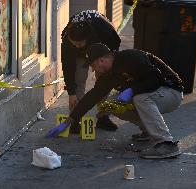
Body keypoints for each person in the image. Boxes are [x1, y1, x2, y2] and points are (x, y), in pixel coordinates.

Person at [48, 43, 184, 159]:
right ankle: (148, 131)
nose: (93, 69)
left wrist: (132, 90)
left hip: (171, 91)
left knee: (140, 98)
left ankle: (166, 143)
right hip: (152, 93)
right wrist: (70, 120)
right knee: (110, 105)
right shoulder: (109, 74)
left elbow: (155, 80)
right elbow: (92, 97)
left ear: (101, 60)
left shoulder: (131, 58)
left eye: (93, 65)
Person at [61, 10, 121, 133]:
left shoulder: (105, 32)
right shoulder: (68, 39)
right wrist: (71, 93)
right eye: (74, 44)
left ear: (87, 39)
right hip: (82, 52)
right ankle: (75, 120)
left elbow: (115, 50)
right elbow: (68, 67)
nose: (76, 46)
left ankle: (102, 117)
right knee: (79, 80)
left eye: (79, 44)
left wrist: (103, 66)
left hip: (101, 47)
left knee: (104, 82)